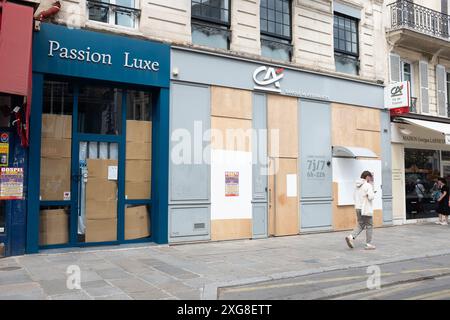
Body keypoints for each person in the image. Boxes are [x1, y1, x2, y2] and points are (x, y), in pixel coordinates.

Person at [345, 171, 376, 250]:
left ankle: (350, 237)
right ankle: (368, 244)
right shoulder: (368, 185)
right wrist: (372, 192)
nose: (370, 179)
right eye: (370, 177)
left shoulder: (357, 186)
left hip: (358, 208)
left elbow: (354, 196)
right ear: (367, 177)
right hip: (365, 208)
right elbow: (371, 197)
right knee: (369, 225)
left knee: (360, 224)